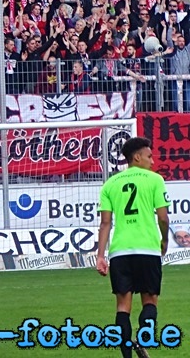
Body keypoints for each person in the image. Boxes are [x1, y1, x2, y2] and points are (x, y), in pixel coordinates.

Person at [96, 137, 170, 358]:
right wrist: (165, 241)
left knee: (122, 307)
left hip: (120, 252)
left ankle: (127, 356)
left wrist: (101, 255)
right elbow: (163, 217)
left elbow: (105, 222)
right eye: (149, 156)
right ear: (136, 157)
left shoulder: (110, 184)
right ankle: (142, 340)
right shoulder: (155, 180)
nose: (153, 161)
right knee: (150, 301)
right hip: (147, 249)